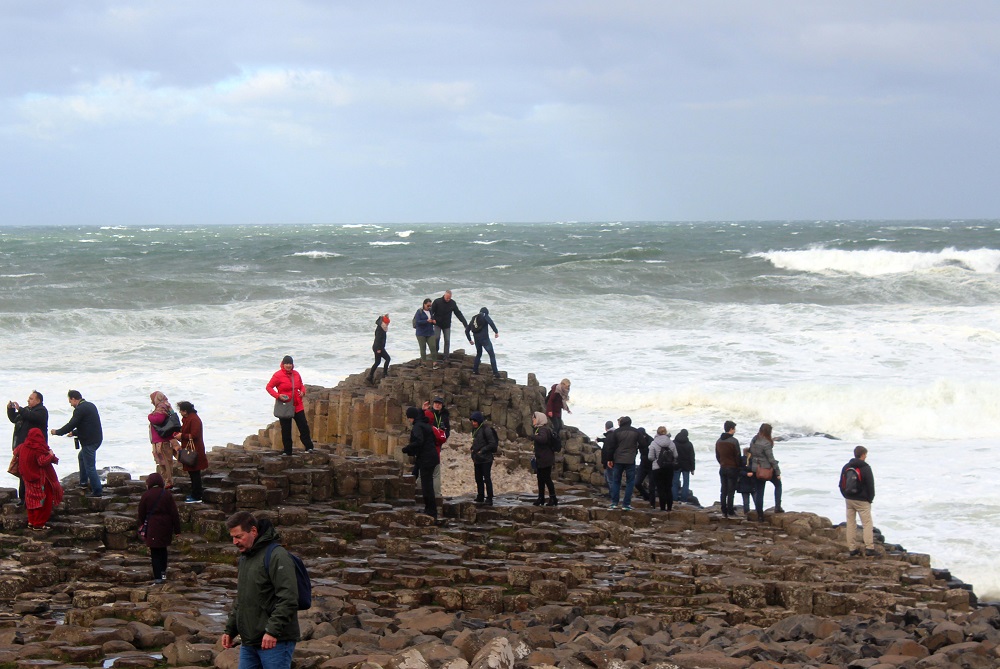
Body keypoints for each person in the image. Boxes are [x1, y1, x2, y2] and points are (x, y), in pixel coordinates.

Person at [222, 512, 300, 669]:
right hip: (249, 641)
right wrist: (230, 629)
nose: (234, 542)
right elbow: (242, 598)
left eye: (238, 536)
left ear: (253, 531)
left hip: (275, 641)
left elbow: (289, 598)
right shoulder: (246, 557)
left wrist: (272, 631)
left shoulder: (277, 556)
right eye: (233, 537)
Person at [51, 390, 103, 497]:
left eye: (70, 401)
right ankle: (83, 482)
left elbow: (71, 424)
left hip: (89, 442)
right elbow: (88, 424)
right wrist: (74, 433)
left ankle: (97, 491)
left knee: (90, 467)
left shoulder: (80, 409)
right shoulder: (90, 405)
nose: (70, 404)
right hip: (96, 439)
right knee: (81, 457)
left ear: (74, 399)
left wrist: (57, 432)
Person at [137, 472, 181, 582]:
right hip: (166, 526)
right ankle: (163, 574)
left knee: (155, 553)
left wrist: (143, 523)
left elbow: (141, 513)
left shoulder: (146, 495)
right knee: (163, 551)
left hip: (152, 526)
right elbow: (174, 513)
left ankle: (158, 578)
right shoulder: (166, 494)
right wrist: (177, 530)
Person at [266, 356, 314, 455]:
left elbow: (301, 385)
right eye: (286, 363)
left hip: (297, 405)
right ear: (283, 364)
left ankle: (309, 447)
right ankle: (287, 451)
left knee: (303, 426)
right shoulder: (278, 375)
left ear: (292, 364)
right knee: (286, 429)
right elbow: (269, 387)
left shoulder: (296, 374)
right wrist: (278, 396)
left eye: (290, 363)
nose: (288, 365)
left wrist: (303, 392)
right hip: (285, 405)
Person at [17, 427, 63, 530]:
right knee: (43, 500)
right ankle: (39, 523)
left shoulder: (23, 447)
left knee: (31, 500)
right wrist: (50, 455)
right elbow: (42, 462)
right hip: (39, 479)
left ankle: (31, 521)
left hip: (27, 478)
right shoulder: (37, 448)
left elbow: (16, 453)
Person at [7, 390, 48, 504]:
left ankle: (33, 498)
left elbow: (32, 417)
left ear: (38, 400)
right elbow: (14, 419)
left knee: (31, 474)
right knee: (22, 473)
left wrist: (20, 409)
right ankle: (23, 498)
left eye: (31, 399)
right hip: (22, 448)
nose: (28, 400)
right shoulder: (26, 410)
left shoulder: (41, 411)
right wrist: (11, 409)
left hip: (35, 450)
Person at [403, 406, 439, 519]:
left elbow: (419, 441)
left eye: (409, 418)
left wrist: (408, 448)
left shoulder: (418, 426)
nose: (409, 420)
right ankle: (429, 509)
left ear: (412, 417)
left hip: (426, 458)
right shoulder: (425, 425)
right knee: (427, 484)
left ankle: (431, 511)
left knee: (426, 485)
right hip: (431, 457)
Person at [840, 445, 876, 557]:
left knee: (850, 523)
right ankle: (869, 547)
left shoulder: (846, 467)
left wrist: (845, 495)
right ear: (863, 455)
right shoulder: (865, 468)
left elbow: (841, 484)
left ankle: (852, 548)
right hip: (862, 500)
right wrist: (870, 499)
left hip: (849, 499)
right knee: (867, 523)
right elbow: (871, 485)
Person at [173, 401, 208, 503]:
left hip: (195, 450)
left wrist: (182, 436)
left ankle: (197, 495)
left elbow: (194, 434)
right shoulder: (190, 418)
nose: (180, 412)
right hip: (193, 449)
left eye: (181, 410)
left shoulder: (194, 419)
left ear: (185, 410)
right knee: (193, 473)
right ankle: (195, 493)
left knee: (195, 473)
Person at [605, 416, 641, 510]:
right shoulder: (636, 432)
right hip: (630, 460)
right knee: (630, 482)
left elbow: (611, 447)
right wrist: (636, 451)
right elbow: (643, 445)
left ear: (621, 423)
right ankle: (626, 504)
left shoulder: (616, 432)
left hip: (618, 460)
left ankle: (614, 503)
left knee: (616, 481)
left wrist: (609, 459)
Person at [748, 423, 782, 521]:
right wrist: (777, 472)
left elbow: (750, 452)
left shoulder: (754, 440)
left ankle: (760, 515)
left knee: (759, 492)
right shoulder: (766, 443)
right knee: (778, 485)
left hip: (755, 469)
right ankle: (777, 507)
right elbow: (771, 459)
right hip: (766, 470)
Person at [148, 391, 177, 489]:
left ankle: (168, 481)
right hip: (159, 440)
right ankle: (166, 481)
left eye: (152, 399)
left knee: (166, 462)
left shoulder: (161, 407)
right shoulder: (164, 406)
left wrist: (150, 416)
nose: (151, 401)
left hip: (162, 440)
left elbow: (159, 419)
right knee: (163, 462)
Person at [430, 290, 469, 363]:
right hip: (437, 324)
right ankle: (435, 353)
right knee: (436, 338)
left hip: (447, 325)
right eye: (447, 298)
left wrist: (465, 323)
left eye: (449, 298)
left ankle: (446, 357)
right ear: (444, 295)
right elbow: (431, 311)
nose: (448, 299)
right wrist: (432, 319)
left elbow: (458, 313)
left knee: (447, 340)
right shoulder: (437, 302)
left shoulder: (452, 303)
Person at [470, 411, 498, 506]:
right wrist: (473, 451)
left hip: (486, 459)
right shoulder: (475, 429)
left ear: (479, 421)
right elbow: (476, 442)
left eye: (475, 421)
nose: (473, 423)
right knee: (478, 478)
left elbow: (492, 443)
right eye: (472, 421)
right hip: (477, 459)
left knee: (486, 478)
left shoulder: (486, 429)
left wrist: (482, 451)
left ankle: (489, 498)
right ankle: (480, 496)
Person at [464, 307, 501, 378]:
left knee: (479, 354)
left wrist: (470, 340)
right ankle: (495, 373)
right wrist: (496, 332)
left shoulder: (474, 318)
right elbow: (491, 322)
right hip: (484, 339)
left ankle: (475, 370)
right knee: (491, 355)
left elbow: (467, 330)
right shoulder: (485, 316)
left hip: (476, 339)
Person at [531, 412, 557, 506]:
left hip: (546, 459)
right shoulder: (540, 429)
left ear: (539, 419)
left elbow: (543, 439)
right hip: (541, 459)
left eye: (534, 418)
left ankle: (553, 498)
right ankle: (541, 498)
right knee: (540, 479)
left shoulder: (543, 430)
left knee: (546, 479)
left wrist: (533, 436)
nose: (532, 420)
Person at [715, 420, 740, 518]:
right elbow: (737, 455)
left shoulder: (719, 441)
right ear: (731, 429)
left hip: (723, 467)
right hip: (732, 468)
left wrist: (721, 463)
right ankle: (730, 511)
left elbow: (717, 455)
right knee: (731, 491)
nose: (735, 431)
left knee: (723, 490)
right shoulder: (734, 441)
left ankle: (723, 510)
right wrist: (738, 467)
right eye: (734, 429)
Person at [648, 426, 677, 511]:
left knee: (660, 488)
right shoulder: (671, 442)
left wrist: (656, 459)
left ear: (657, 433)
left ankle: (662, 508)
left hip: (657, 468)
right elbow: (676, 455)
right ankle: (670, 508)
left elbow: (650, 457)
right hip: (669, 467)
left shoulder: (654, 443)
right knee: (668, 487)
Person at [413, 298, 439, 369]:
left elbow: (433, 318)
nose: (429, 307)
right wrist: (426, 321)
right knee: (423, 348)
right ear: (424, 304)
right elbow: (418, 322)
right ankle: (424, 363)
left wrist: (433, 321)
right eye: (428, 305)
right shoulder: (419, 312)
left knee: (433, 347)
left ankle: (435, 363)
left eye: (430, 306)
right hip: (421, 333)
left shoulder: (430, 311)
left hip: (430, 332)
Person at [673, 429, 696, 504]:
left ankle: (674, 499)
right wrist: (693, 468)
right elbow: (692, 457)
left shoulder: (674, 443)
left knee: (675, 482)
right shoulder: (689, 444)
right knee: (686, 483)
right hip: (686, 466)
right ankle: (684, 500)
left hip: (676, 465)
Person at [367, 314, 391, 384]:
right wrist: (379, 349)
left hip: (377, 347)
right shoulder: (380, 329)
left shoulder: (382, 327)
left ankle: (370, 376)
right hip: (378, 347)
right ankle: (385, 374)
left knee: (377, 362)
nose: (388, 324)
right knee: (388, 359)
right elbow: (378, 339)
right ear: (385, 322)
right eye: (387, 323)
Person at [596, 420, 615, 499]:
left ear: (606, 428)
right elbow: (607, 441)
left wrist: (606, 461)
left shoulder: (610, 436)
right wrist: (600, 440)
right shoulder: (612, 435)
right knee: (607, 477)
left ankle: (613, 495)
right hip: (612, 460)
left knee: (610, 478)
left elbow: (608, 450)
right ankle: (612, 493)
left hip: (609, 461)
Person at [634, 427, 653, 502]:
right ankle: (646, 496)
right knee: (637, 483)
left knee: (652, 485)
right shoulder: (638, 441)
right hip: (643, 464)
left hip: (651, 465)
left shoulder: (651, 441)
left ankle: (652, 501)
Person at [736, 447, 756, 516]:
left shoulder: (741, 459)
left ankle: (747, 514)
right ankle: (757, 512)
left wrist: (745, 473)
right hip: (751, 482)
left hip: (744, 482)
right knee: (755, 500)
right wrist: (748, 473)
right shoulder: (754, 460)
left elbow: (738, 470)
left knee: (746, 501)